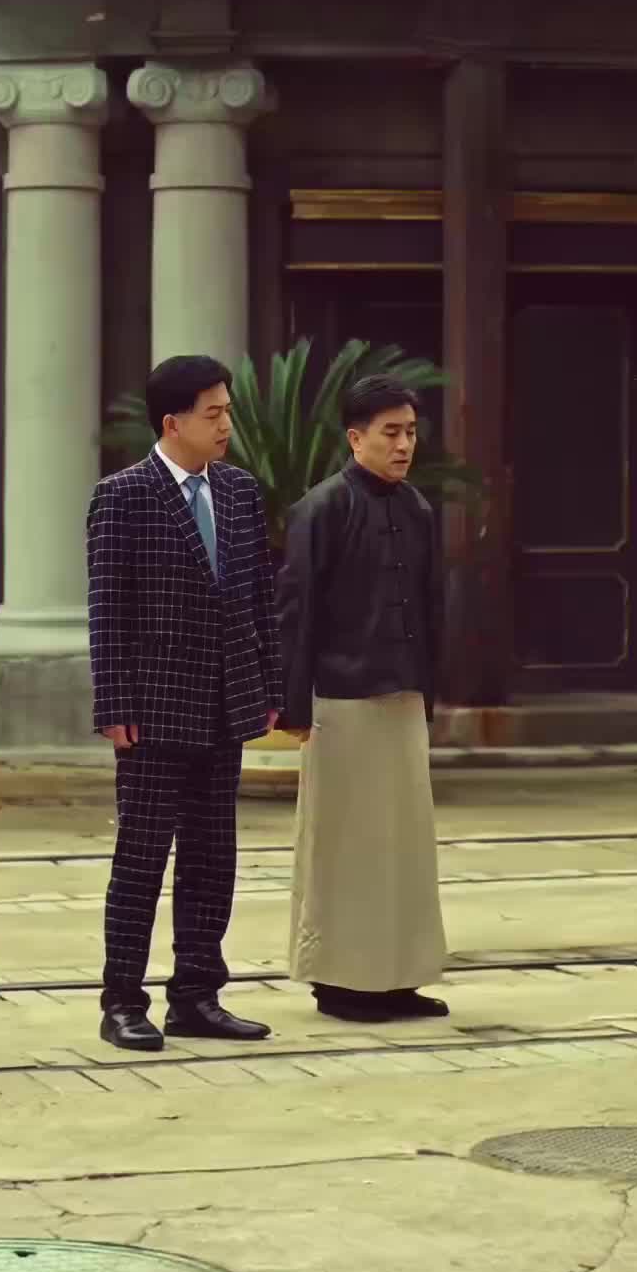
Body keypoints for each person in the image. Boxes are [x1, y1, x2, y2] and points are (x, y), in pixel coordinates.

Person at [88, 354, 282, 1051]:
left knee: (211, 855)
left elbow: (260, 596)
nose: (227, 424)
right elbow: (108, 609)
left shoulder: (238, 491)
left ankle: (197, 995)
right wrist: (113, 704)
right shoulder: (123, 496)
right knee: (141, 858)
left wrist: (270, 688)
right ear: (173, 423)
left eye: (228, 411)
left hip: (226, 702)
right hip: (152, 709)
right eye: (214, 413)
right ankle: (122, 1001)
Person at [276, 375, 447, 1022]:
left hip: (403, 697)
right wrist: (294, 705)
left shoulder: (418, 509)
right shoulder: (322, 508)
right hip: (340, 701)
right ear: (355, 438)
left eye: (410, 432)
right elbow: (296, 612)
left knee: (405, 844)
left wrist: (431, 693)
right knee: (345, 844)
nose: (404, 445)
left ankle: (399, 977)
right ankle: (341, 983)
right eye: (390, 433)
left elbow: (431, 608)